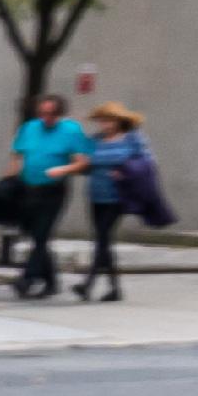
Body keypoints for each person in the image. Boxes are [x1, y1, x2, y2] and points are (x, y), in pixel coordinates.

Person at [75, 103, 162, 303]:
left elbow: (147, 163)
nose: (105, 124)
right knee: (102, 240)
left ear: (119, 120)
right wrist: (82, 164)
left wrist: (125, 171)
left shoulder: (133, 138)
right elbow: (84, 167)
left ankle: (88, 284)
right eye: (102, 120)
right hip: (96, 195)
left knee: (103, 237)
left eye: (109, 120)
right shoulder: (94, 140)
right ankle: (115, 289)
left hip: (118, 196)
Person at [8, 92, 88, 299]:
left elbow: (83, 161)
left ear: (59, 113)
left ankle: (27, 278)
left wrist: (63, 170)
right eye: (43, 113)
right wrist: (10, 178)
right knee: (36, 236)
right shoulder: (29, 128)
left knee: (42, 233)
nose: (46, 118)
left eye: (51, 114)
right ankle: (51, 282)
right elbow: (17, 154)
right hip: (28, 188)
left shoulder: (71, 130)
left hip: (54, 190)